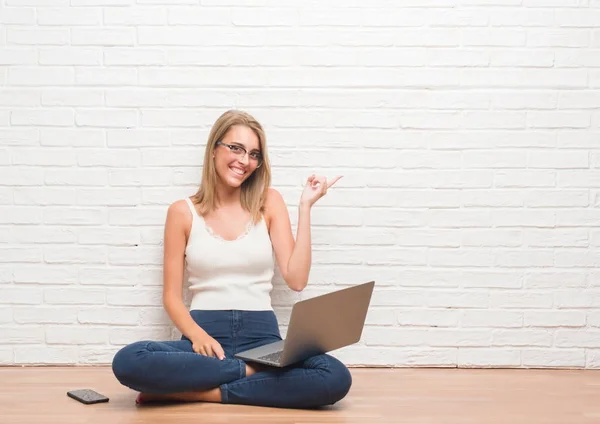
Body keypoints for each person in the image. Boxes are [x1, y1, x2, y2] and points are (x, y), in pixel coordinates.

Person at [111, 109, 351, 409]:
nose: (244, 160)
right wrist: (197, 336)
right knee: (129, 360)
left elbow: (296, 279)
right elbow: (171, 297)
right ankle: (253, 374)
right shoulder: (181, 212)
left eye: (253, 154)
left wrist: (305, 207)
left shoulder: (269, 201)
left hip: (263, 338)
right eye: (235, 148)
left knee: (335, 376)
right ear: (214, 150)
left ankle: (199, 392)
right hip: (205, 342)